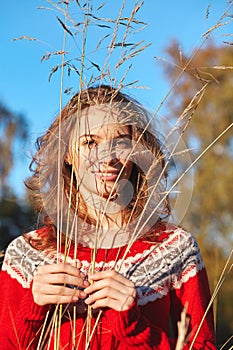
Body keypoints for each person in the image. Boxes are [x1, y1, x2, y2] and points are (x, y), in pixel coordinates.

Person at [0, 85, 216, 349]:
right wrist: (31, 310)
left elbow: (204, 345)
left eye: (120, 142)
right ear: (67, 154)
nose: (107, 157)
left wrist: (133, 325)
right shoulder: (27, 254)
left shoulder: (175, 248)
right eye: (90, 142)